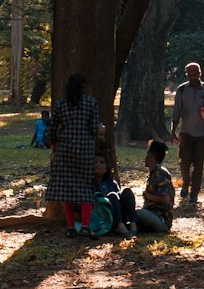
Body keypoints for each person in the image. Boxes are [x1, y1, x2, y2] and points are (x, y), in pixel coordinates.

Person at [47, 72, 100, 235]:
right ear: (83, 87)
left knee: (67, 189)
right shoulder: (91, 103)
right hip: (85, 149)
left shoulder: (60, 104)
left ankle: (70, 227)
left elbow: (52, 129)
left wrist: (54, 146)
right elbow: (94, 128)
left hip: (65, 149)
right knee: (86, 187)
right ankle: (85, 225)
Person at [170, 62, 204, 209]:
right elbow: (177, 111)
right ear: (186, 75)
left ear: (200, 73)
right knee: (184, 162)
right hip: (186, 132)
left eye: (195, 74)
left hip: (202, 133)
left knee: (198, 165)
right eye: (189, 75)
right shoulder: (182, 89)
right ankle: (186, 182)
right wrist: (173, 132)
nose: (193, 78)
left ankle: (194, 193)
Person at [128, 139, 175, 235]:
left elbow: (165, 199)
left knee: (139, 214)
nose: (145, 158)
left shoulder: (160, 174)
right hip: (152, 213)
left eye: (147, 155)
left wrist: (148, 196)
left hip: (161, 218)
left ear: (151, 157)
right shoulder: (153, 174)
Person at [92, 150, 137, 237]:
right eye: (95, 162)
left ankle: (133, 225)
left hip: (118, 213)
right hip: (103, 217)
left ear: (106, 169)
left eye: (102, 162)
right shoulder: (90, 184)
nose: (98, 164)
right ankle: (119, 226)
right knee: (112, 196)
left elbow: (119, 200)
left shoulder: (112, 183)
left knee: (127, 191)